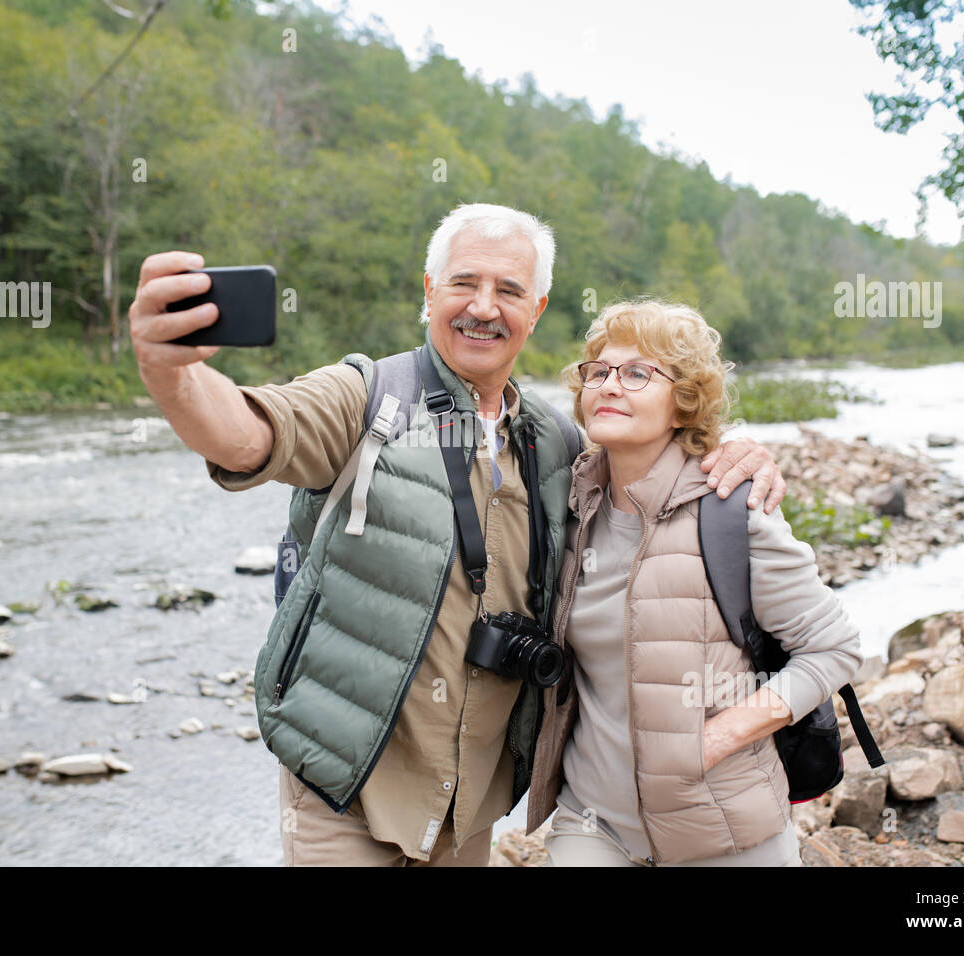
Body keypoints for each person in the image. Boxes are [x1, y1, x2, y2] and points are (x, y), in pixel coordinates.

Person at [129, 203, 788, 866]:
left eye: (508, 291)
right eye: (463, 283)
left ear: (536, 309)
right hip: (347, 789)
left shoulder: (555, 442)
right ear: (428, 291)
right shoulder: (366, 397)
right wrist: (170, 372)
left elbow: (651, 471)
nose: (483, 307)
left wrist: (730, 455)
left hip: (472, 806)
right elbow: (245, 435)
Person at [526, 297, 863, 866]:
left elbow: (834, 647)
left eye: (637, 373)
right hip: (592, 822)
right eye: (598, 372)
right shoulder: (568, 499)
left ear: (684, 403)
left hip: (721, 829)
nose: (610, 385)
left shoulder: (735, 510)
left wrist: (721, 736)